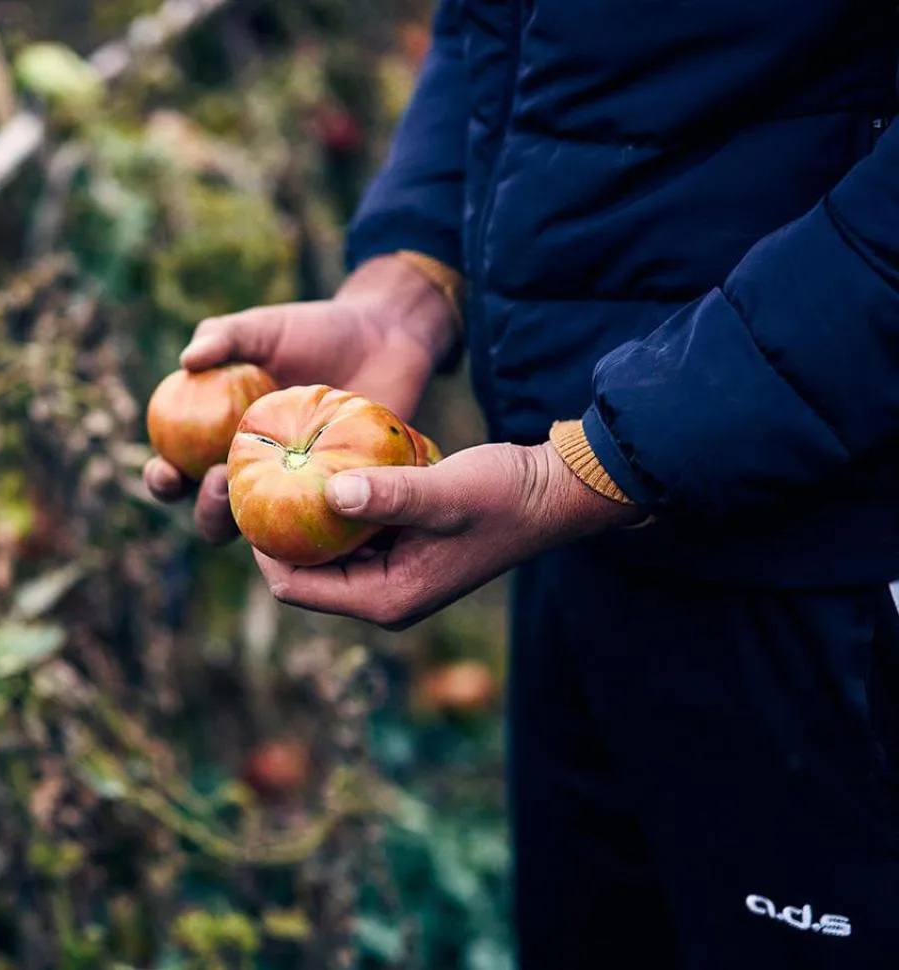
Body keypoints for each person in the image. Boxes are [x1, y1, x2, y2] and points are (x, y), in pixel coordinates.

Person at [143, 3, 899, 967]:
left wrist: (607, 460)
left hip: (831, 561)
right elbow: (500, 26)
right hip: (575, 537)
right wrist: (412, 279)